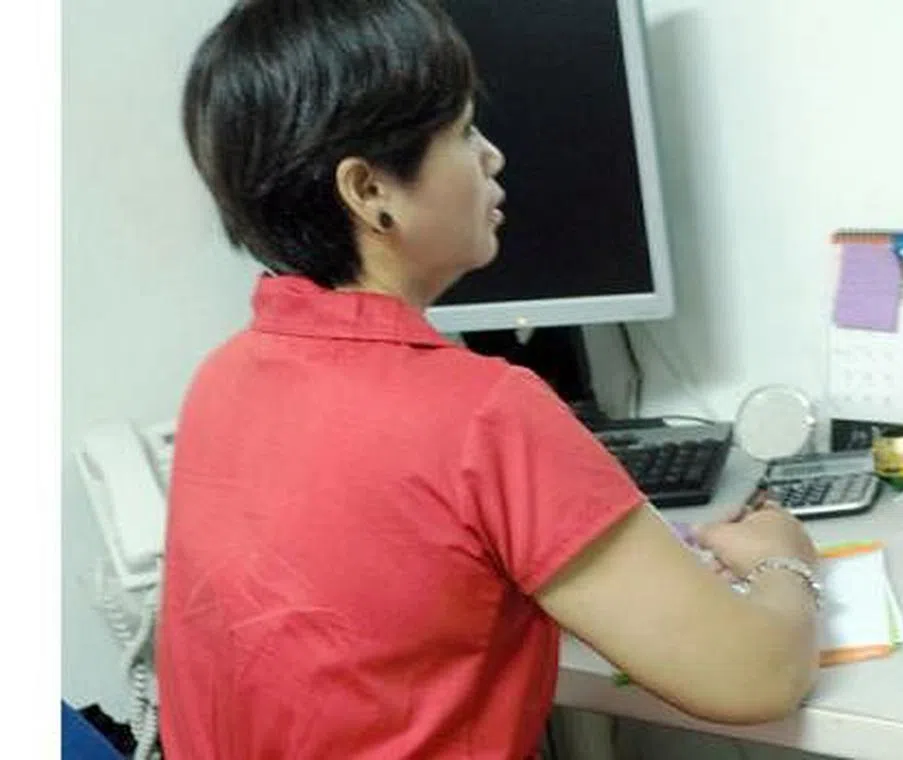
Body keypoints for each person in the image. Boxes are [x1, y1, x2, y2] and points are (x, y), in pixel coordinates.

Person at [158, 0, 821, 757]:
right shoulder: (483, 414)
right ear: (369, 191)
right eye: (465, 131)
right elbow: (756, 676)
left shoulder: (221, 380)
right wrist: (784, 560)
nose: (492, 157)